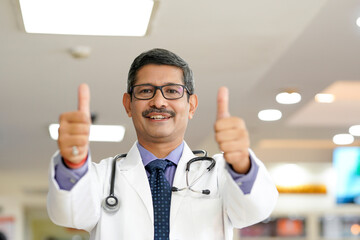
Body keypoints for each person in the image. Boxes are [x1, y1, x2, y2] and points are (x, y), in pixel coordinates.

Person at [47, 48, 278, 240]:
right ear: (128, 104)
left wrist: (241, 164)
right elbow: (69, 215)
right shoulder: (103, 177)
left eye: (172, 91)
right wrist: (73, 164)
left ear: (192, 105)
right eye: (146, 91)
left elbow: (254, 211)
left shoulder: (219, 173)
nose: (158, 101)